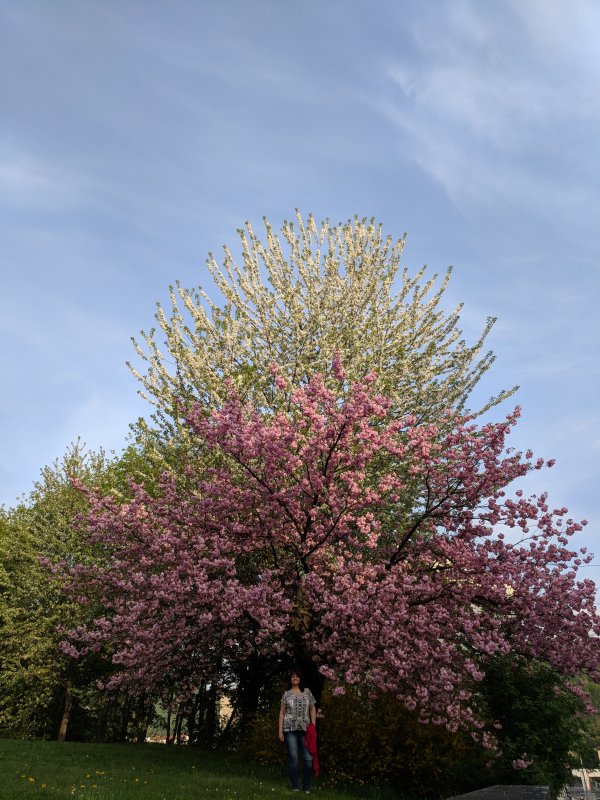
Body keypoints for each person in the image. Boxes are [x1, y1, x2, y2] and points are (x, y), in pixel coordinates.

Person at [279, 669, 317, 793]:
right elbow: (282, 713)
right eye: (292, 676)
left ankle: (306, 787)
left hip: (306, 730)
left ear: (300, 679)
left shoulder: (307, 692)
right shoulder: (286, 694)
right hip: (289, 729)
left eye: (297, 676)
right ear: (290, 679)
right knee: (293, 757)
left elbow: (312, 709)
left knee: (308, 759)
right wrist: (280, 731)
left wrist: (313, 725)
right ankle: (295, 786)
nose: (294, 678)